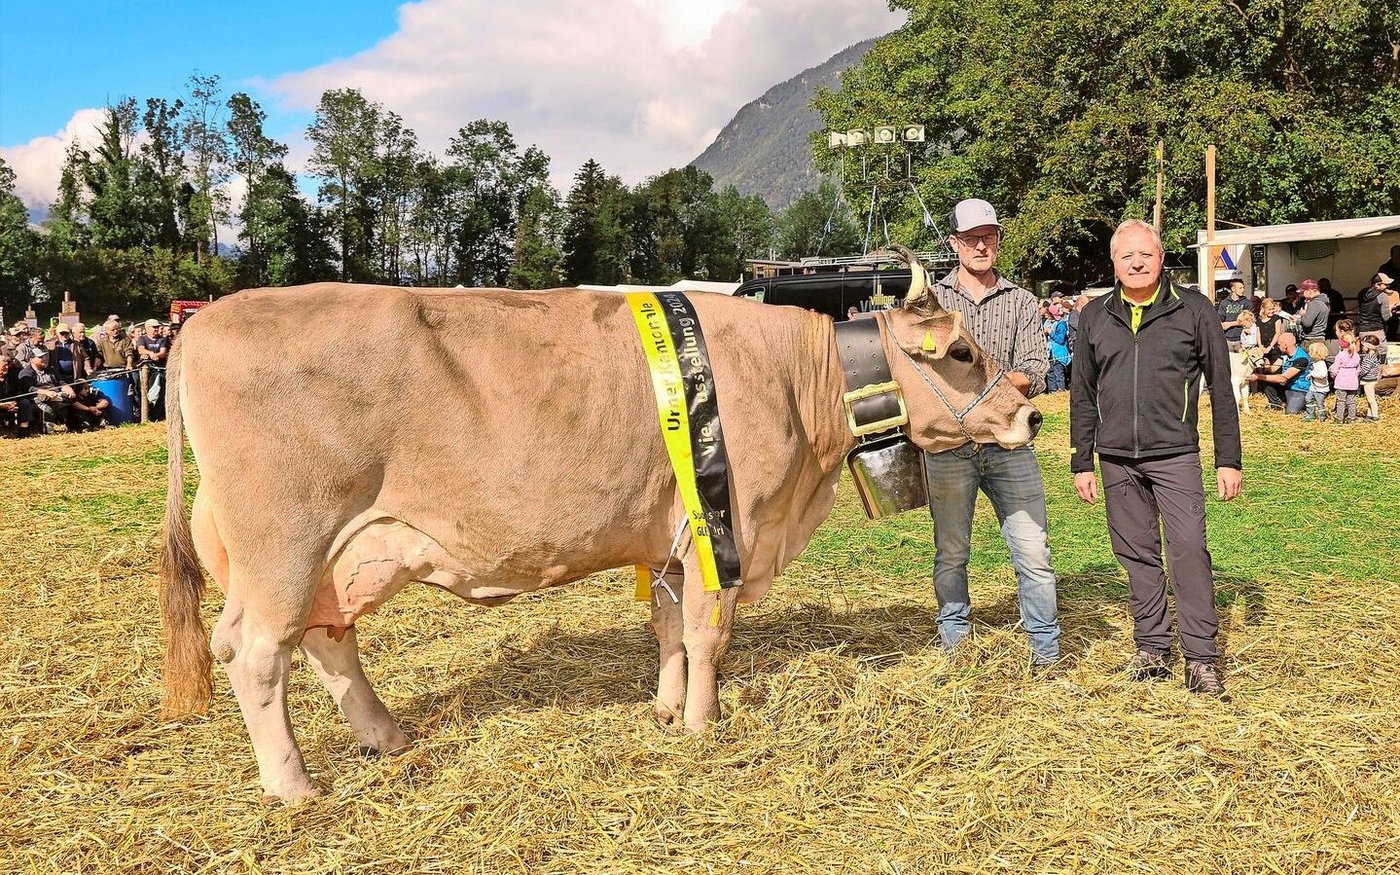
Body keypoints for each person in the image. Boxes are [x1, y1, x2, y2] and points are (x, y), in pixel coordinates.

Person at [1070, 219, 1241, 697]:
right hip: (1116, 459)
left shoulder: (1194, 309)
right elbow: (1081, 393)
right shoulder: (1096, 315)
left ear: (1161, 257)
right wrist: (1081, 459)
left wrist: (1229, 457)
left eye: (1145, 253)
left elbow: (1222, 390)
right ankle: (1152, 648)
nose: (1137, 262)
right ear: (1114, 263)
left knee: (1188, 552)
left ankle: (1202, 658)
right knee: (1137, 556)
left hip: (1176, 455)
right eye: (1127, 256)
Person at [921, 197, 1060, 668]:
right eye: (971, 238)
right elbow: (924, 375)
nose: (981, 245)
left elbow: (1036, 372)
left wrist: (975, 385)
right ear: (954, 243)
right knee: (952, 552)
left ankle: (1045, 653)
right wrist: (999, 384)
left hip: (1009, 444)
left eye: (988, 236)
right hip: (949, 448)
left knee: (1033, 551)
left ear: (998, 240)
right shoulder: (932, 305)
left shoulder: (1021, 301)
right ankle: (955, 646)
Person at [1249, 329, 1310, 413]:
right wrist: (1267, 366)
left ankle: (1305, 404)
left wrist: (1258, 377)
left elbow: (1283, 378)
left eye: (1279, 344)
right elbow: (1273, 369)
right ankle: (1276, 404)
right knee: (1266, 382)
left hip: (1299, 390)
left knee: (1291, 412)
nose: (1277, 346)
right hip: (1287, 387)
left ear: (1285, 345)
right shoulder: (1284, 354)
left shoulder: (1301, 359)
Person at [1356, 273, 1392, 354]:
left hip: (1363, 330)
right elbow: (1386, 317)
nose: (1387, 287)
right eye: (1385, 285)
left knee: (1367, 357)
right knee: (1381, 356)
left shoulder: (1362, 293)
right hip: (1377, 331)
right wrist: (1390, 308)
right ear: (1377, 284)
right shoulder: (1383, 296)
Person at [1330, 331, 1360, 425]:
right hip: (1353, 382)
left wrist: (1333, 375)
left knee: (1341, 401)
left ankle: (1339, 418)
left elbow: (1334, 369)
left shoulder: (1340, 355)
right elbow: (1359, 369)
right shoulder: (1356, 355)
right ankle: (1351, 418)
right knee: (1351, 401)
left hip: (1341, 382)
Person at [1216, 279, 1250, 349]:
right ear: (1233, 289)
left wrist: (1229, 324)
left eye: (1243, 288)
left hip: (1242, 338)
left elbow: (1248, 321)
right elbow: (1220, 320)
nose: (1243, 290)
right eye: (1240, 288)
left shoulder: (1246, 302)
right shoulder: (1224, 303)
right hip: (1227, 339)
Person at [1303, 341, 1330, 422]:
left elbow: (1323, 374)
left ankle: (1322, 416)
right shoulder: (1314, 363)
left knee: (1319, 402)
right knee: (1308, 398)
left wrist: (1312, 374)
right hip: (1313, 387)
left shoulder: (1321, 364)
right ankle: (1310, 414)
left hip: (1320, 388)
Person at [1295, 279, 1330, 343]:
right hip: (1320, 338)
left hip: (1311, 340)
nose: (1302, 295)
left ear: (1310, 291)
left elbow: (1307, 323)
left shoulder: (1314, 303)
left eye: (1303, 292)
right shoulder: (1325, 302)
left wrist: (1302, 315)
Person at [1358, 335, 1383, 422]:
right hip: (1371, 380)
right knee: (1369, 399)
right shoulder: (1375, 356)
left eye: (1364, 346)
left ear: (1368, 347)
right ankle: (1369, 414)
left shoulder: (1369, 357)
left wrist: (1358, 373)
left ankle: (1375, 416)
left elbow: (1365, 370)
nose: (1363, 347)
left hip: (1368, 381)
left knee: (1371, 399)